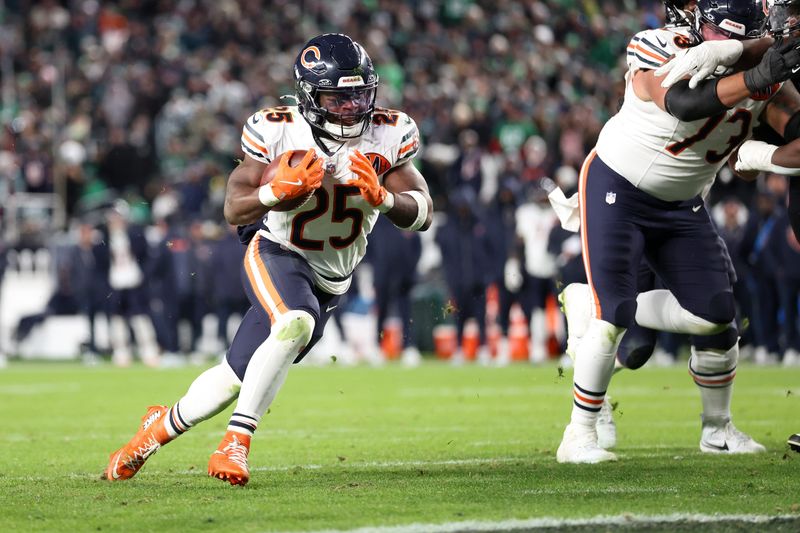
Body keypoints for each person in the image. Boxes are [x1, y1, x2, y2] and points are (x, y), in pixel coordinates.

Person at [104, 33, 432, 486]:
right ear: (310, 96)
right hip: (277, 251)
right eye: (338, 98)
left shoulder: (390, 131)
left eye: (359, 95)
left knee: (234, 377)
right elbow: (234, 208)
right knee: (295, 320)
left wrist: (386, 200)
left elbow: (423, 212)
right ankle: (237, 443)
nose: (352, 108)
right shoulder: (276, 128)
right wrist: (274, 191)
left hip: (332, 277)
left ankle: (150, 433)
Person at [556, 0, 800, 463]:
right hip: (618, 188)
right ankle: (578, 435)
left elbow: (793, 126)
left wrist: (767, 150)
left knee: (715, 314)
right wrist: (755, 76)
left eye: (738, 36)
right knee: (615, 318)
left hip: (682, 203)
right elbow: (685, 103)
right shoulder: (661, 45)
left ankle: (717, 430)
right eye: (717, 33)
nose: (724, 44)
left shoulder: (764, 71)